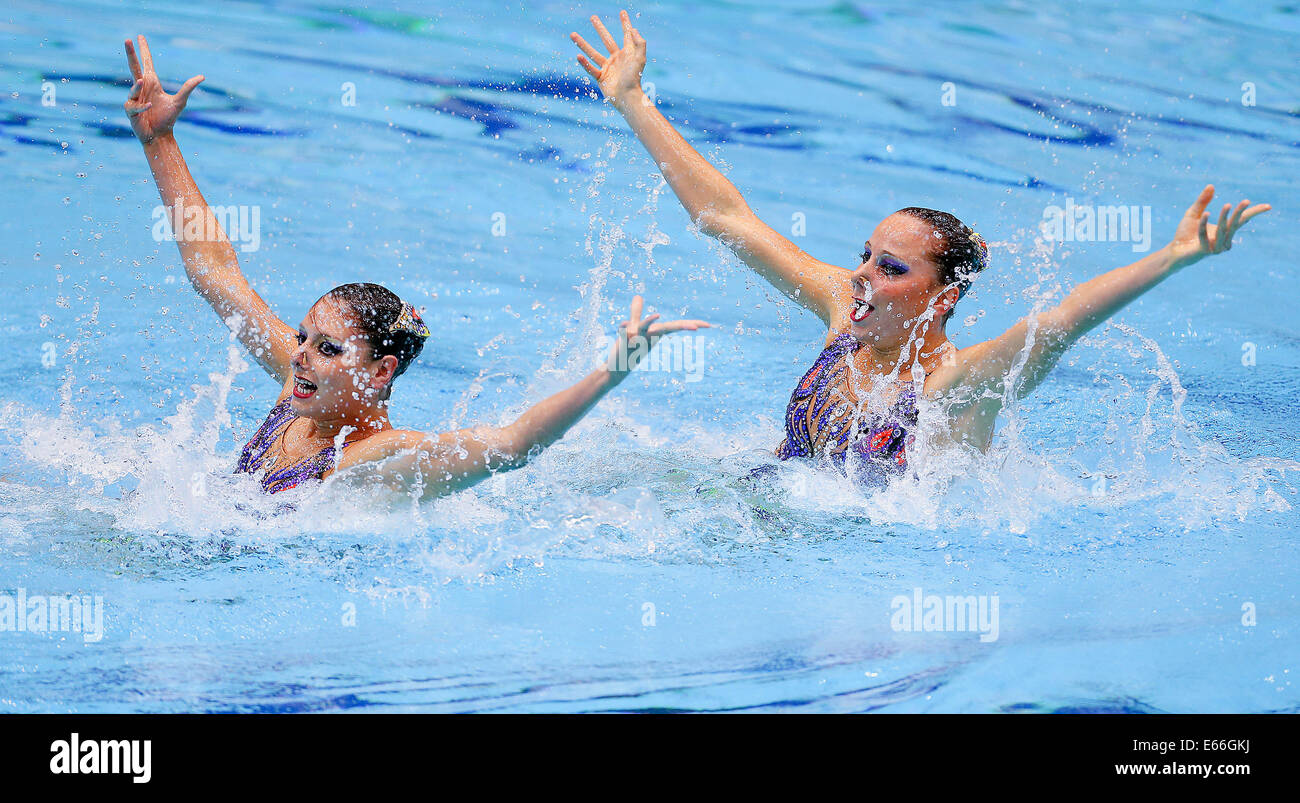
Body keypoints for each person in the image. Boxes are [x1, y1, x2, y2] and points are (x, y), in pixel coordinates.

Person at [571, 11, 1271, 484]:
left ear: (943, 297)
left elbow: (1061, 322)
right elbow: (727, 218)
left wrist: (1174, 257)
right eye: (867, 254)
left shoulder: (958, 388)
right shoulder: (844, 311)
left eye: (891, 267)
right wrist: (633, 100)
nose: (863, 275)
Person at [123, 35, 708, 497]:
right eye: (304, 337)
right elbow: (219, 277)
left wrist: (612, 372)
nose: (299, 352)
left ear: (379, 373)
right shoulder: (301, 383)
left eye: (328, 347)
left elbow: (512, 445)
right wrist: (160, 142)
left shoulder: (374, 460)